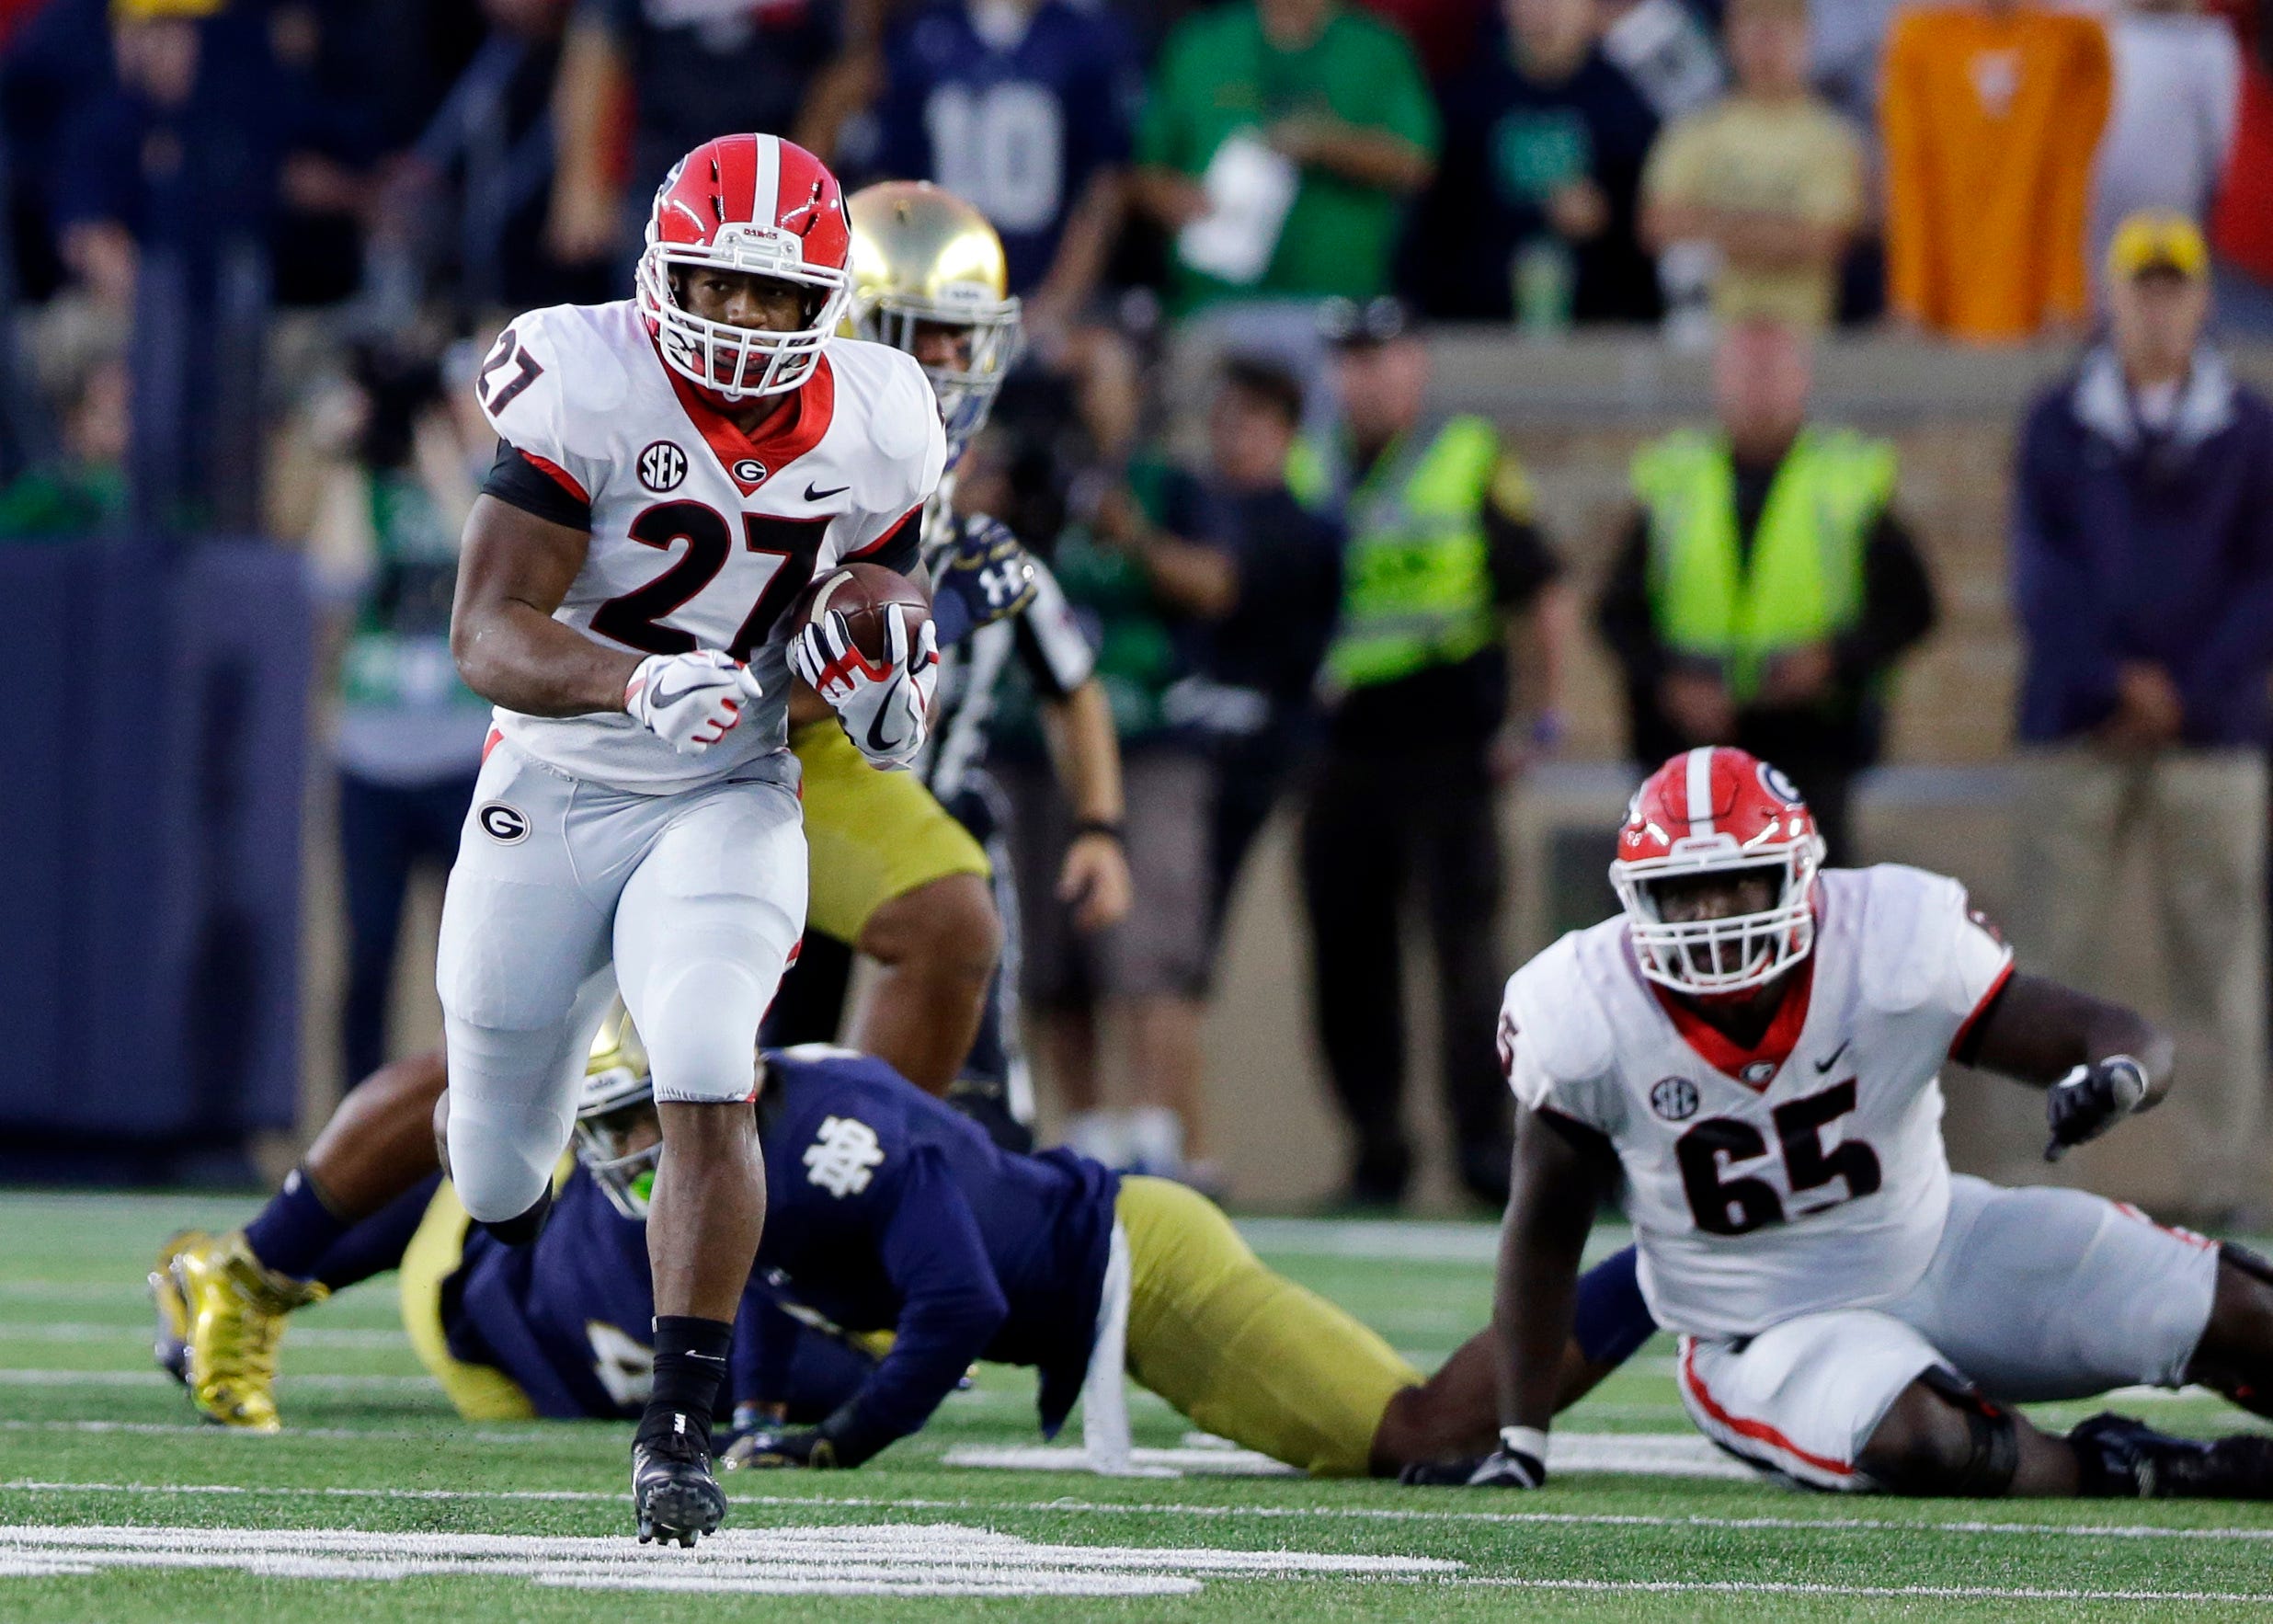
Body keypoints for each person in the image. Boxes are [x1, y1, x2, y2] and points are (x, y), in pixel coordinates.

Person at [438, 132, 944, 1545]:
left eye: (777, 300)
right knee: (494, 1168)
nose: (744, 322)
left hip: (727, 789)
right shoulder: (584, 375)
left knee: (713, 1067)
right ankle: (538, 1079)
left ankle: (681, 1430)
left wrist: (889, 693)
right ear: (666, 275)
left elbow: (877, 595)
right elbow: (484, 631)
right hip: (554, 777)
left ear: (826, 304)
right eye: (719, 288)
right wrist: (633, 674)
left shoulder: (883, 416)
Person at [154, 1011, 1660, 1476]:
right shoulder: (737, 1152)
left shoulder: (834, 1128)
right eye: (609, 1134)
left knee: (1415, 1438)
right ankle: (256, 1269)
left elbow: (956, 1299)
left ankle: (1664, 1268)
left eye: (640, 1121)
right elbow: (723, 1297)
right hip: (1071, 1304)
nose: (630, 1157)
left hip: (1138, 1268)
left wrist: (842, 1445)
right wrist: (743, 1412)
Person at [1408, 746, 2273, 1501]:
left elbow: (2112, 1035)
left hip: (1937, 1246)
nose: (1713, 917)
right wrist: (1518, 1439)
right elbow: (1544, 1232)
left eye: (1737, 881)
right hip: (1762, 1333)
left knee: (2241, 1308)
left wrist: (2116, 1078)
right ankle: (2141, 1467)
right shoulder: (1584, 1009)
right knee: (1925, 1442)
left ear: (1798, 873)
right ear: (1637, 900)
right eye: (1684, 893)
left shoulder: (1891, 937)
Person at [766, 179, 1134, 1138]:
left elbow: (1073, 683)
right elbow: (764, 689)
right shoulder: (785, 485)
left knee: (961, 1079)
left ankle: (894, 1181)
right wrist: (933, 613)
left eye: (958, 336)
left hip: (905, 807)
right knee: (734, 1076)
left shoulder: (969, 532)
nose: (945, 360)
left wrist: (1100, 825)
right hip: (756, 800)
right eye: (916, 331)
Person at [2011, 211, 2273, 1221]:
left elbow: (2260, 583)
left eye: (2176, 286)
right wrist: (2113, 683)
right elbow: (2043, 576)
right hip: (2075, 727)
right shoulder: (2058, 420)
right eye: (2142, 286)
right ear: (2111, 297)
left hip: (2213, 735)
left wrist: (2186, 692)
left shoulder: (2248, 427)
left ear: (2203, 299)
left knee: (2220, 968)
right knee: (2045, 974)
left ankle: (2227, 1185)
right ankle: (2040, 1186)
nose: (2159, 305)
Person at [1298, 295, 1571, 1209]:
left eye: (1378, 357)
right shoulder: (1312, 463)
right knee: (1347, 953)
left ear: (1414, 364)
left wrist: (1539, 715)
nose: (1361, 378)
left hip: (1448, 734)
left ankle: (1486, 1153)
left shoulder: (1466, 459)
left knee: (1463, 957)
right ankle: (1378, 1152)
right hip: (1342, 742)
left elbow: (1539, 589)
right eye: (1347, 360)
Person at [1595, 316, 1936, 863]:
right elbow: (1616, 612)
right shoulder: (1677, 480)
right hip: (1692, 754)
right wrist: (1672, 682)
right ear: (1719, 383)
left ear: (1801, 381)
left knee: (1814, 918)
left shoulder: (1843, 478)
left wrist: (1831, 660)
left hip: (1810, 745)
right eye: (1745, 374)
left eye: (1771, 373)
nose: (1758, 391)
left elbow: (1909, 606)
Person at [305, 343, 492, 1091]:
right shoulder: (362, 490)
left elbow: (480, 554)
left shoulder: (479, 486)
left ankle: (475, 1117)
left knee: (478, 956)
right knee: (370, 948)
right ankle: (356, 1117)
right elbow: (335, 577)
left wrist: (443, 455)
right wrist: (351, 458)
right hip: (371, 758)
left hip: (460, 755)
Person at [1129, 0, 1438, 318]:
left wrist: (1324, 144)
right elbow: (1142, 174)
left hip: (1336, 306)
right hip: (1214, 304)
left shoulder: (1376, 47)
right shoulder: (1202, 43)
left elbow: (1415, 163)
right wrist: (1174, 198)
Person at [1410, 0, 1661, 326]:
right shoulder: (1465, 100)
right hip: (1478, 327)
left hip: (1598, 328)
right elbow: (1434, 230)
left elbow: (1654, 231)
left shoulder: (1628, 104)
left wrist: (1607, 217)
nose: (1544, 6)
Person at [1879, 0, 2111, 342]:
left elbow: (2069, 179)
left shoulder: (2068, 39)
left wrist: (2064, 293)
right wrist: (1911, 296)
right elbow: (1911, 178)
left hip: (2037, 309)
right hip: (1944, 304)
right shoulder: (1921, 39)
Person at [1639, 0, 1865, 336]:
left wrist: (1711, 227)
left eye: (1776, 35)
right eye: (1754, 34)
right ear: (1729, 39)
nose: (1765, 49)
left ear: (1806, 40)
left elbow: (1825, 239)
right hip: (1706, 336)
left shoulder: (1832, 139)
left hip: (1802, 337)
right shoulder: (1694, 130)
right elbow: (1658, 226)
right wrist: (1779, 233)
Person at [2089, 0, 2239, 301]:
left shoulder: (2209, 44)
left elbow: (2225, 152)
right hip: (2093, 231)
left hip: (2173, 234)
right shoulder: (2090, 33)